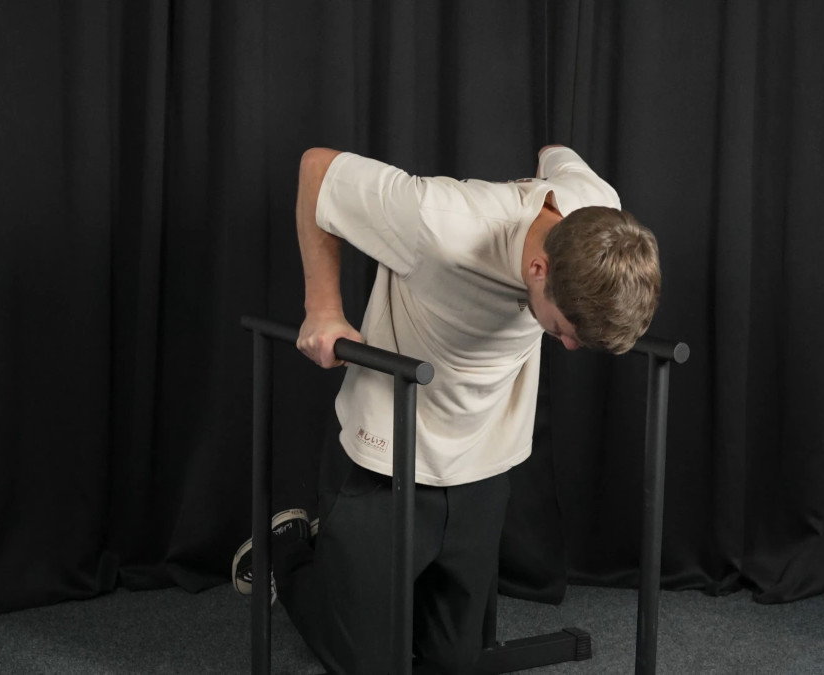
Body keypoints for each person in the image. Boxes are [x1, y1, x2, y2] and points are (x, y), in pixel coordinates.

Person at [234, 144, 661, 673]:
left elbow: (558, 154)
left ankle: (357, 571)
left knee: (455, 663)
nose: (567, 349)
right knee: (367, 663)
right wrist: (322, 307)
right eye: (561, 332)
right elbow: (318, 169)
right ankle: (292, 547)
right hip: (388, 461)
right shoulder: (441, 220)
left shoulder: (598, 206)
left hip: (482, 463)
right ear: (538, 267)